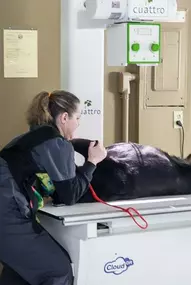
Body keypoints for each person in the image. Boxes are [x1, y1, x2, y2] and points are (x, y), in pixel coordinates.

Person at [0, 90, 107, 285]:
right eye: (78, 117)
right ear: (64, 117)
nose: (79, 123)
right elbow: (69, 195)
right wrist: (92, 162)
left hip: (6, 215)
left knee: (20, 273)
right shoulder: (55, 144)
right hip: (8, 216)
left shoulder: (27, 139)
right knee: (58, 270)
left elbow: (52, 187)